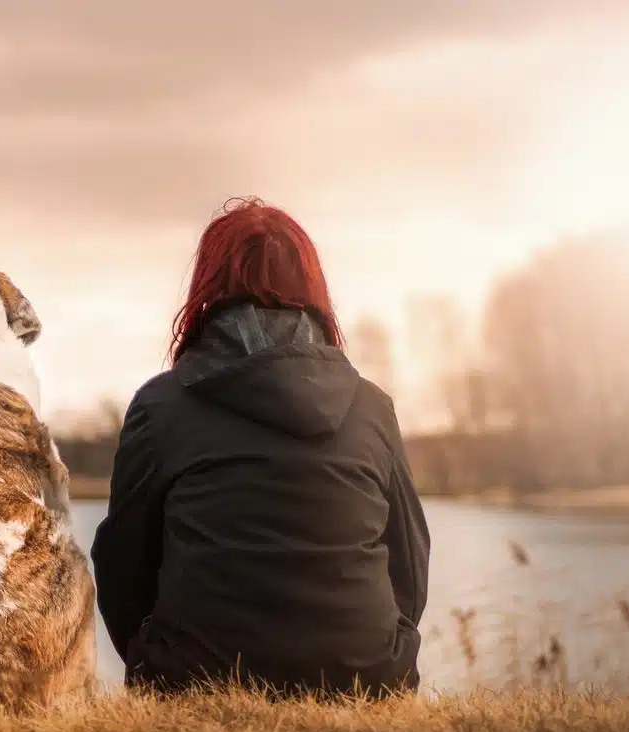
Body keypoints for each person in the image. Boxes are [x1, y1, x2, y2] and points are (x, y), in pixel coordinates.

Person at [90, 196, 430, 698]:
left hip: (195, 681)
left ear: (207, 287)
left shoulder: (161, 406)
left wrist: (152, 658)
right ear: (312, 288)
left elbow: (122, 564)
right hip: (366, 679)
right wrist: (382, 652)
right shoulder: (371, 407)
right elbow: (410, 562)